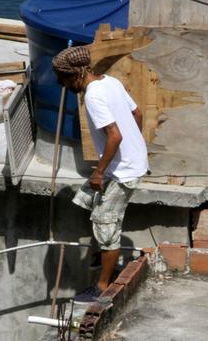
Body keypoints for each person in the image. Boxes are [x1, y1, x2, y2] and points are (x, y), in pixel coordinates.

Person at [52, 46, 148, 304]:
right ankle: (103, 254)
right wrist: (134, 146)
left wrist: (99, 171)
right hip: (128, 162)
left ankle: (103, 285)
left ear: (74, 75)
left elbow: (114, 135)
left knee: (106, 223)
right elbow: (137, 114)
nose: (60, 83)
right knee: (85, 200)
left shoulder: (92, 96)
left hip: (122, 171)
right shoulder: (111, 81)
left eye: (61, 78)